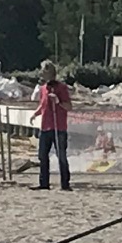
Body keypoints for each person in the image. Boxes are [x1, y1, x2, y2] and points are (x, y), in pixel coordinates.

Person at [31, 60, 71, 191]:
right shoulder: (43, 89)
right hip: (45, 127)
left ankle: (65, 183)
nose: (41, 73)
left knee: (61, 156)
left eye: (43, 70)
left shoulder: (61, 87)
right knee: (42, 156)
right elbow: (43, 105)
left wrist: (58, 101)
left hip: (58, 127)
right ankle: (44, 183)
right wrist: (35, 114)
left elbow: (69, 106)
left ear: (49, 72)